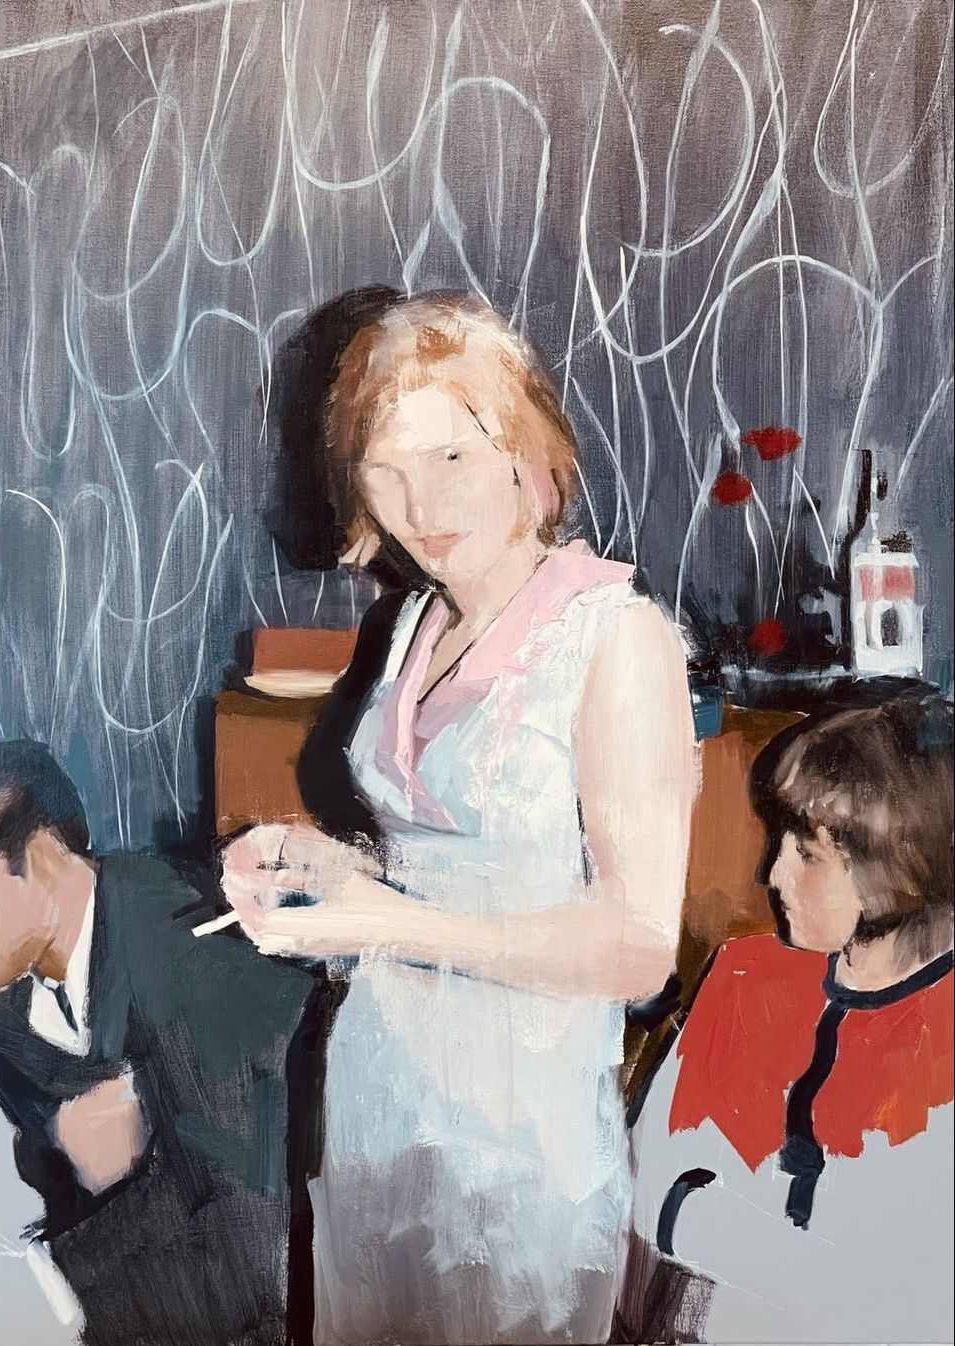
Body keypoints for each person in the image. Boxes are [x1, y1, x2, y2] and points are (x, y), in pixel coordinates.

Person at [220, 292, 696, 1344]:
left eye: (450, 459)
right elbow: (438, 862)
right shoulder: (416, 625)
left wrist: (384, 923)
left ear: (523, 449)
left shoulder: (618, 639)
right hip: (380, 1104)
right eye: (385, 469)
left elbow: (636, 948)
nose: (420, 503)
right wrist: (326, 869)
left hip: (522, 1139)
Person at [0, 740, 313, 1346]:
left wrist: (108, 1185)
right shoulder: (5, 1000)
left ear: (42, 860)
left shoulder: (193, 959)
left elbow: (248, 1283)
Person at [625, 698, 955, 1345]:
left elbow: (911, 1306)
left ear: (898, 862)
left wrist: (697, 1216)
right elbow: (641, 1183)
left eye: (807, 854)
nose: (772, 874)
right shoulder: (744, 974)